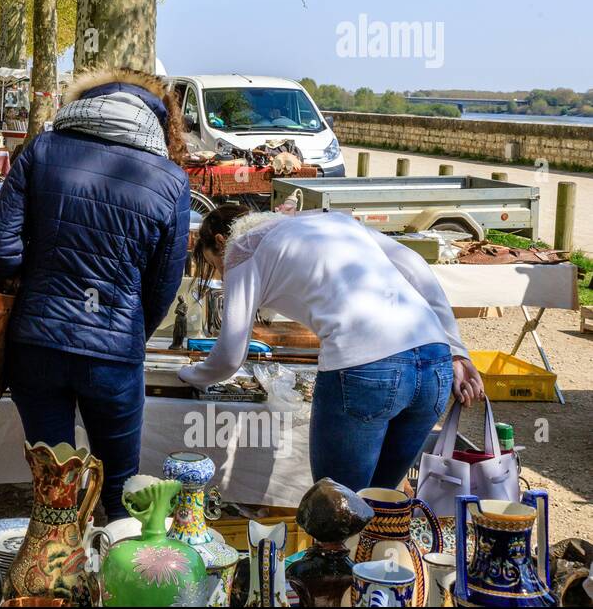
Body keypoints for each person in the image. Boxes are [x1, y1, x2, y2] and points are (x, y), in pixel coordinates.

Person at [0, 69, 190, 521]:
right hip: (113, 355)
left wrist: (36, 278)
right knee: (120, 491)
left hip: (37, 343)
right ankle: (115, 583)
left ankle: (50, 583)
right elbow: (163, 284)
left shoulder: (43, 149)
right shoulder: (171, 180)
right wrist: (129, 328)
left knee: (54, 489)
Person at [179, 204, 488, 495]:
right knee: (379, 504)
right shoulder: (329, 222)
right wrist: (457, 350)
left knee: (337, 510)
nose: (222, 274)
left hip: (365, 364)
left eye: (215, 266)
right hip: (434, 358)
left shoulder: (241, 248)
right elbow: (415, 266)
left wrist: (188, 374)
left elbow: (230, 355)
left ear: (221, 242)